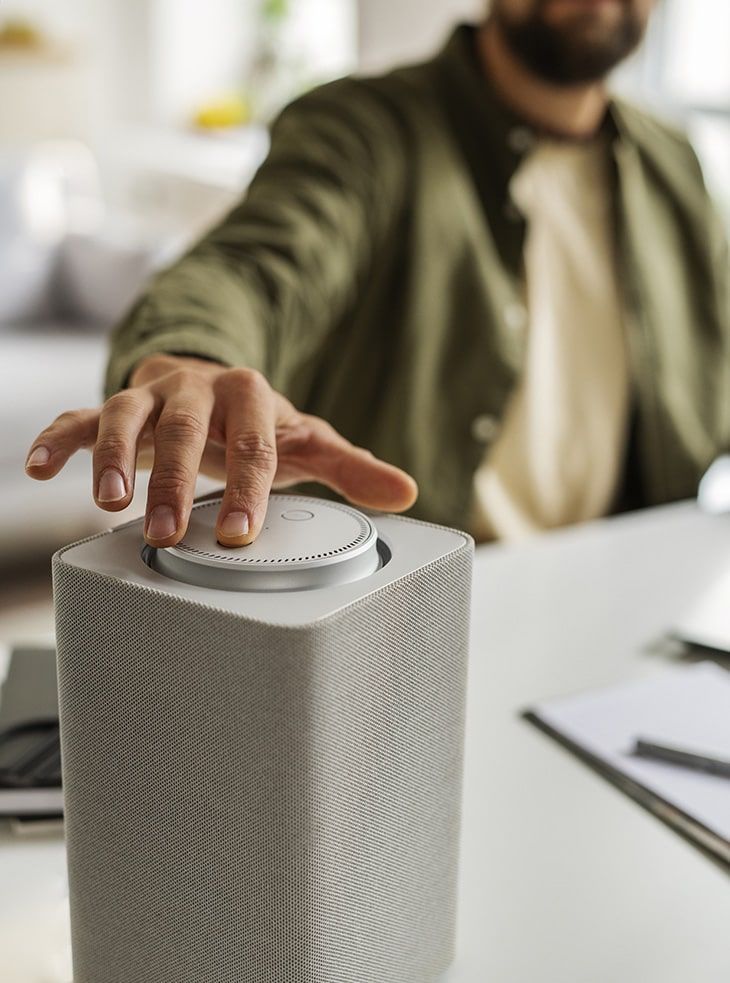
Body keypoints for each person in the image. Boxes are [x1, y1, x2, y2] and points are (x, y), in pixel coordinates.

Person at [26, 0, 729, 548]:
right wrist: (192, 356)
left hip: (632, 612)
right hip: (400, 632)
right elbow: (256, 262)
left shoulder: (673, 163)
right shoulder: (362, 128)